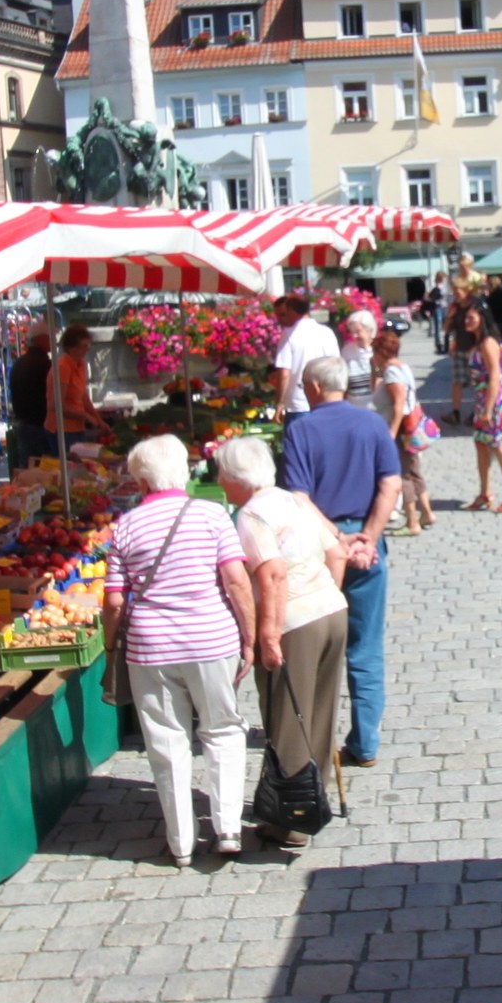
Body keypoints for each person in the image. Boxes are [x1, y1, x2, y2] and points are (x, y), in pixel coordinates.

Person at [103, 433, 257, 861]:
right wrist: (249, 636)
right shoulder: (212, 515)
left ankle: (180, 843)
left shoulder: (125, 526)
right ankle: (227, 829)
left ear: (141, 483)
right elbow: (236, 580)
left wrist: (111, 646)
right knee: (223, 728)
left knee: (167, 742)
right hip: (212, 640)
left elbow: (115, 601)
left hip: (150, 648)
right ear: (184, 474)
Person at [212, 434, 344, 850]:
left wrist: (268, 634)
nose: (218, 480)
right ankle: (311, 798)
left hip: (295, 623)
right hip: (331, 611)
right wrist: (322, 597)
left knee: (288, 719)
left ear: (236, 477)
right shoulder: (293, 500)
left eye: (221, 473)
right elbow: (337, 551)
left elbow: (271, 575)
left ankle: (292, 819)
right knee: (319, 714)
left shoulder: (249, 515)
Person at [279, 356, 403, 766]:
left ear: (313, 387)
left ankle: (314, 737)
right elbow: (391, 482)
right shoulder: (371, 424)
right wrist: (370, 535)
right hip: (367, 547)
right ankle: (365, 743)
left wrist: (335, 536)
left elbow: (299, 497)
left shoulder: (301, 429)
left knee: (317, 644)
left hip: (318, 548)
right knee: (365, 648)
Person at [456, 306, 502, 513]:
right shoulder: (478, 342)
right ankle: (485, 492)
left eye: (471, 317)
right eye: (465, 317)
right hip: (482, 400)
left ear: (482, 319)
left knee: (499, 445)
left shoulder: (488, 342)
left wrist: (488, 409)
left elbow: (495, 375)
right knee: (481, 444)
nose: (466, 321)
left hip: (493, 401)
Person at [371, 329, 434, 533]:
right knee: (414, 470)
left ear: (380, 351)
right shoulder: (401, 367)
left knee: (403, 474)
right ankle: (426, 512)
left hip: (399, 429)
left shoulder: (391, 372)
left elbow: (398, 404)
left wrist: (391, 432)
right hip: (410, 427)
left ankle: (412, 521)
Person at [270, 294, 338, 415]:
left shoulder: (289, 335)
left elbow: (285, 373)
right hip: (325, 400)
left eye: (283, 314)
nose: (279, 319)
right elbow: (336, 367)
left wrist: (280, 403)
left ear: (291, 310)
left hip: (298, 403)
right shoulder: (327, 332)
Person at [49, 323, 110, 456]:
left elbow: (83, 396)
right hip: (61, 429)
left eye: (88, 345)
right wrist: (85, 416)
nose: (87, 350)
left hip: (77, 427)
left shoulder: (80, 364)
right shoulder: (63, 366)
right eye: (83, 346)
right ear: (71, 348)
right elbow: (58, 404)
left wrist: (98, 419)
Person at [6, 331, 53, 469]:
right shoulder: (45, 364)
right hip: (41, 424)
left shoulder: (19, 363)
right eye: (48, 339)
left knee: (27, 467)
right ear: (40, 340)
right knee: (47, 467)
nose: (52, 342)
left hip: (23, 423)